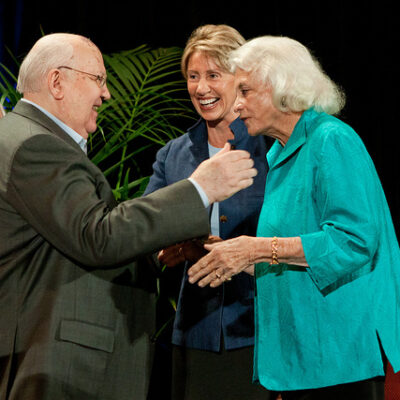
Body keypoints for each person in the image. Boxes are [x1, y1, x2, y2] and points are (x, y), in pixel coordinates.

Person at [0, 33, 258, 400]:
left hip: (253, 335)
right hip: (59, 356)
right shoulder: (36, 144)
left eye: (214, 74)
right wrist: (198, 189)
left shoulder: (22, 136)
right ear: (56, 82)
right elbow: (100, 236)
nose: (106, 94)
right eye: (98, 80)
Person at [188, 35, 400, 400]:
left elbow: (354, 240)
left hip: (340, 355)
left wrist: (256, 249)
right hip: (303, 358)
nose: (236, 107)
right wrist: (236, 256)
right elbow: (290, 256)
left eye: (244, 91)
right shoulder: (282, 155)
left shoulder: (331, 140)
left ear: (280, 88)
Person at [143, 25, 271, 400]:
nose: (202, 88)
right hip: (194, 331)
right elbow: (147, 231)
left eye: (214, 75)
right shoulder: (174, 154)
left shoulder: (271, 149)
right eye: (193, 76)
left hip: (259, 330)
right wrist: (168, 250)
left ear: (240, 78)